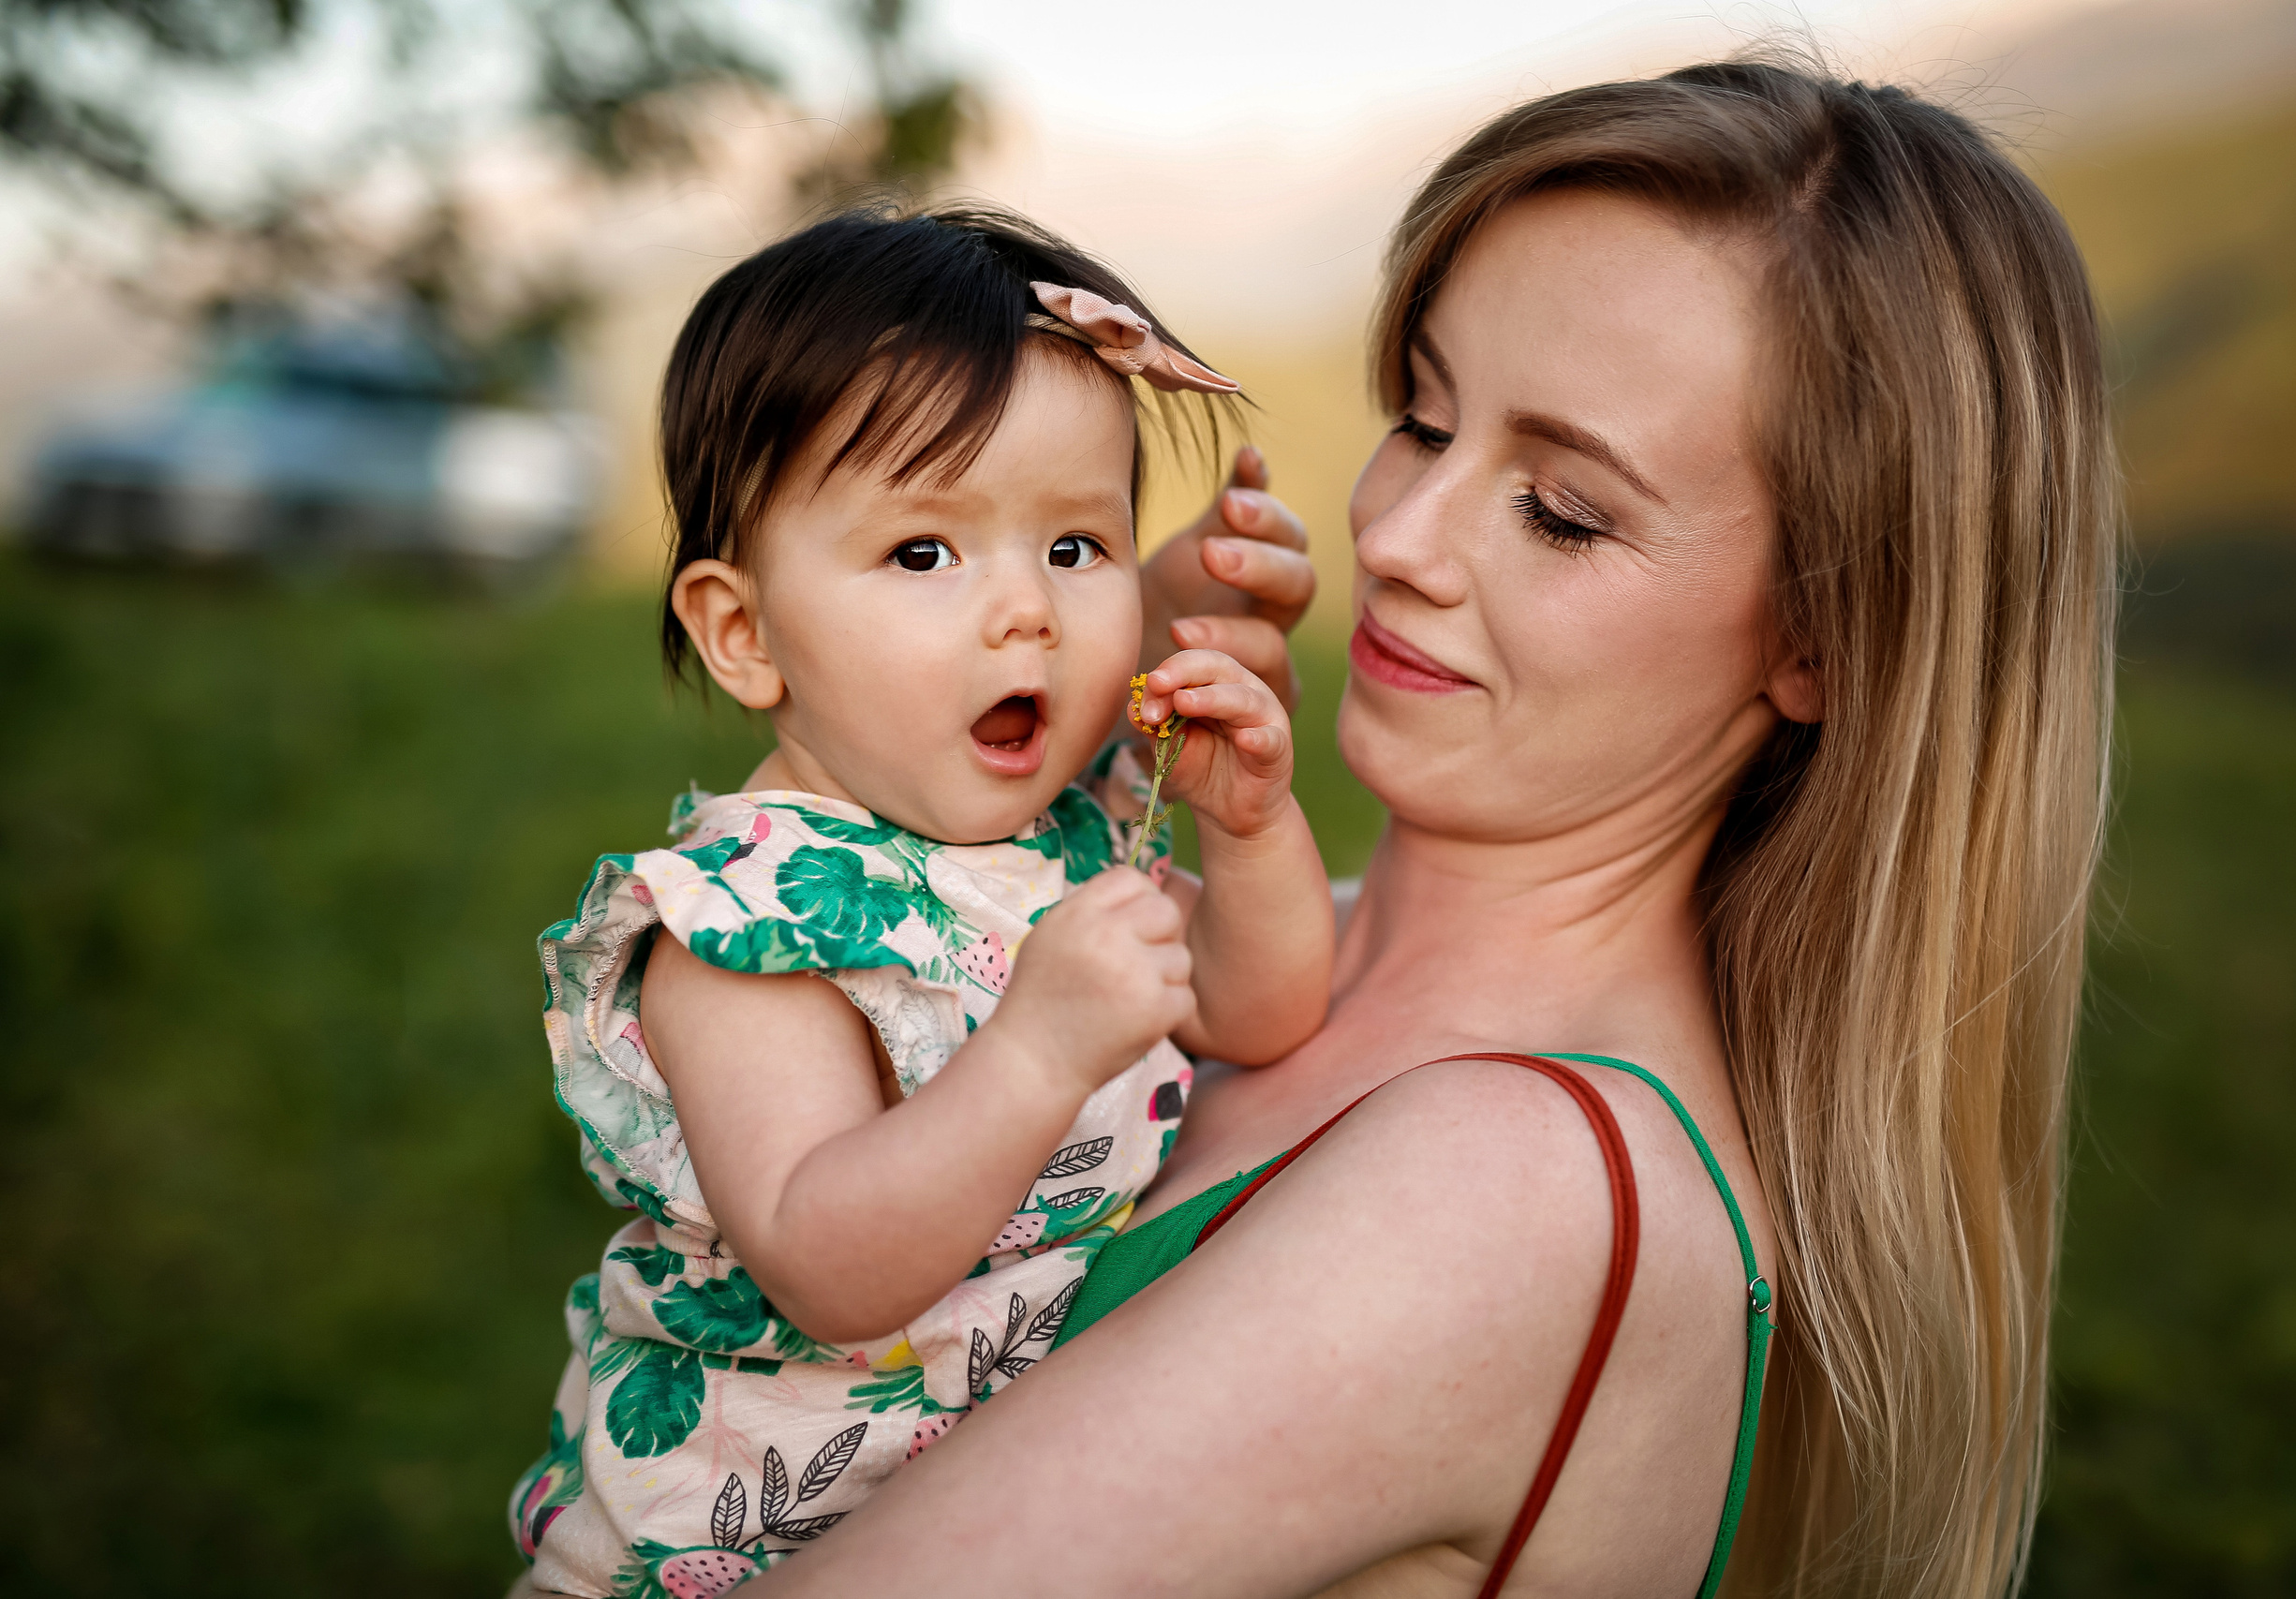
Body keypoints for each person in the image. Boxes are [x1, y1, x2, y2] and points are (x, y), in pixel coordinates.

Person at [741, 58, 2118, 1599]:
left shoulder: (1513, 1189)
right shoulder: (1249, 944)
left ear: (1822, 640)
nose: (1393, 539)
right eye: (1422, 416)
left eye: (1563, 512)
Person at [508, 206, 1338, 1597]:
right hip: (722, 1560)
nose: (1027, 614)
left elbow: (1260, 1011)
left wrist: (1248, 832)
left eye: (1075, 547)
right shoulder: (749, 928)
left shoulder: (1068, 842)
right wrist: (1034, 1053)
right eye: (924, 556)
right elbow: (829, 1264)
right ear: (746, 633)